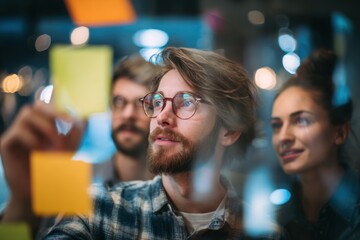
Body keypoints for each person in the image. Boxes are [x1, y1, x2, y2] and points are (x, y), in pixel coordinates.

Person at [39, 47, 280, 239]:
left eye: (186, 102)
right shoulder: (99, 210)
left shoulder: (259, 231)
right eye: (157, 102)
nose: (162, 116)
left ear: (229, 131)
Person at [270, 49, 360, 239]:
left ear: (339, 132)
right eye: (277, 126)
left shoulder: (354, 214)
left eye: (301, 120)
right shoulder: (274, 218)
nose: (283, 137)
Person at [93, 54, 157, 186]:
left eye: (142, 103)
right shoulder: (85, 184)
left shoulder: (180, 193)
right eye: (119, 101)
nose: (128, 114)